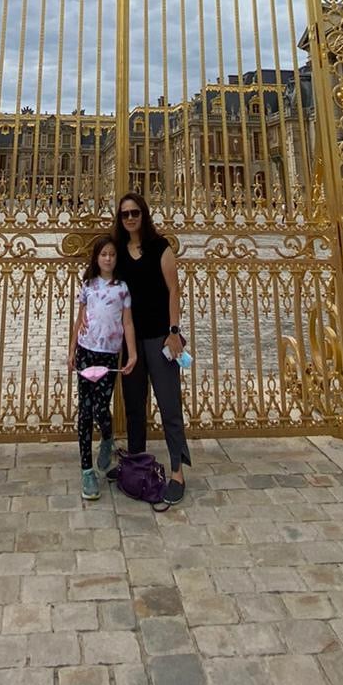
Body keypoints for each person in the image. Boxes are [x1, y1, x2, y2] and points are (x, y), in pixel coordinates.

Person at [113, 191, 190, 505]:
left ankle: (177, 471)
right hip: (130, 340)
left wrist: (174, 332)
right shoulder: (117, 250)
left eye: (135, 213)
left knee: (169, 404)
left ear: (144, 215)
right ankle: (134, 464)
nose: (130, 218)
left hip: (160, 337)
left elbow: (174, 290)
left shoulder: (160, 247)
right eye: (125, 214)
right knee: (134, 405)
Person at [69, 234, 136, 500]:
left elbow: (128, 323)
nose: (107, 258)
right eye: (103, 254)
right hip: (86, 351)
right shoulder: (87, 285)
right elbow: (79, 319)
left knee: (100, 407)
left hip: (109, 355)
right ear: (96, 258)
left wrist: (131, 354)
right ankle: (87, 470)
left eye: (112, 254)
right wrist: (71, 349)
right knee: (84, 411)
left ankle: (107, 439)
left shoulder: (122, 288)